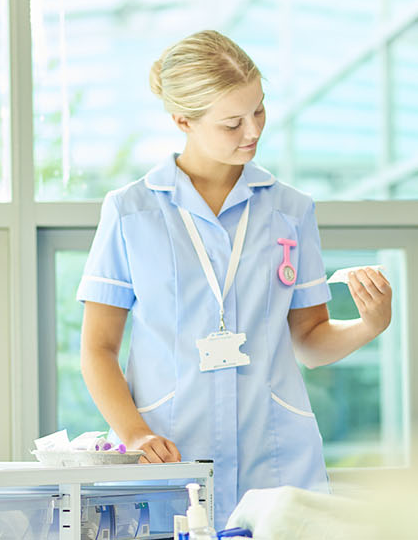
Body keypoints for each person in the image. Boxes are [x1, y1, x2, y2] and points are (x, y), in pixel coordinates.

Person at [77, 30, 393, 527]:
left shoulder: (291, 210)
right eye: (232, 123)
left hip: (276, 459)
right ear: (182, 120)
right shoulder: (130, 212)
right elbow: (97, 349)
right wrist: (134, 433)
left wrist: (368, 326)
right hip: (169, 456)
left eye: (259, 111)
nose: (253, 131)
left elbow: (309, 341)